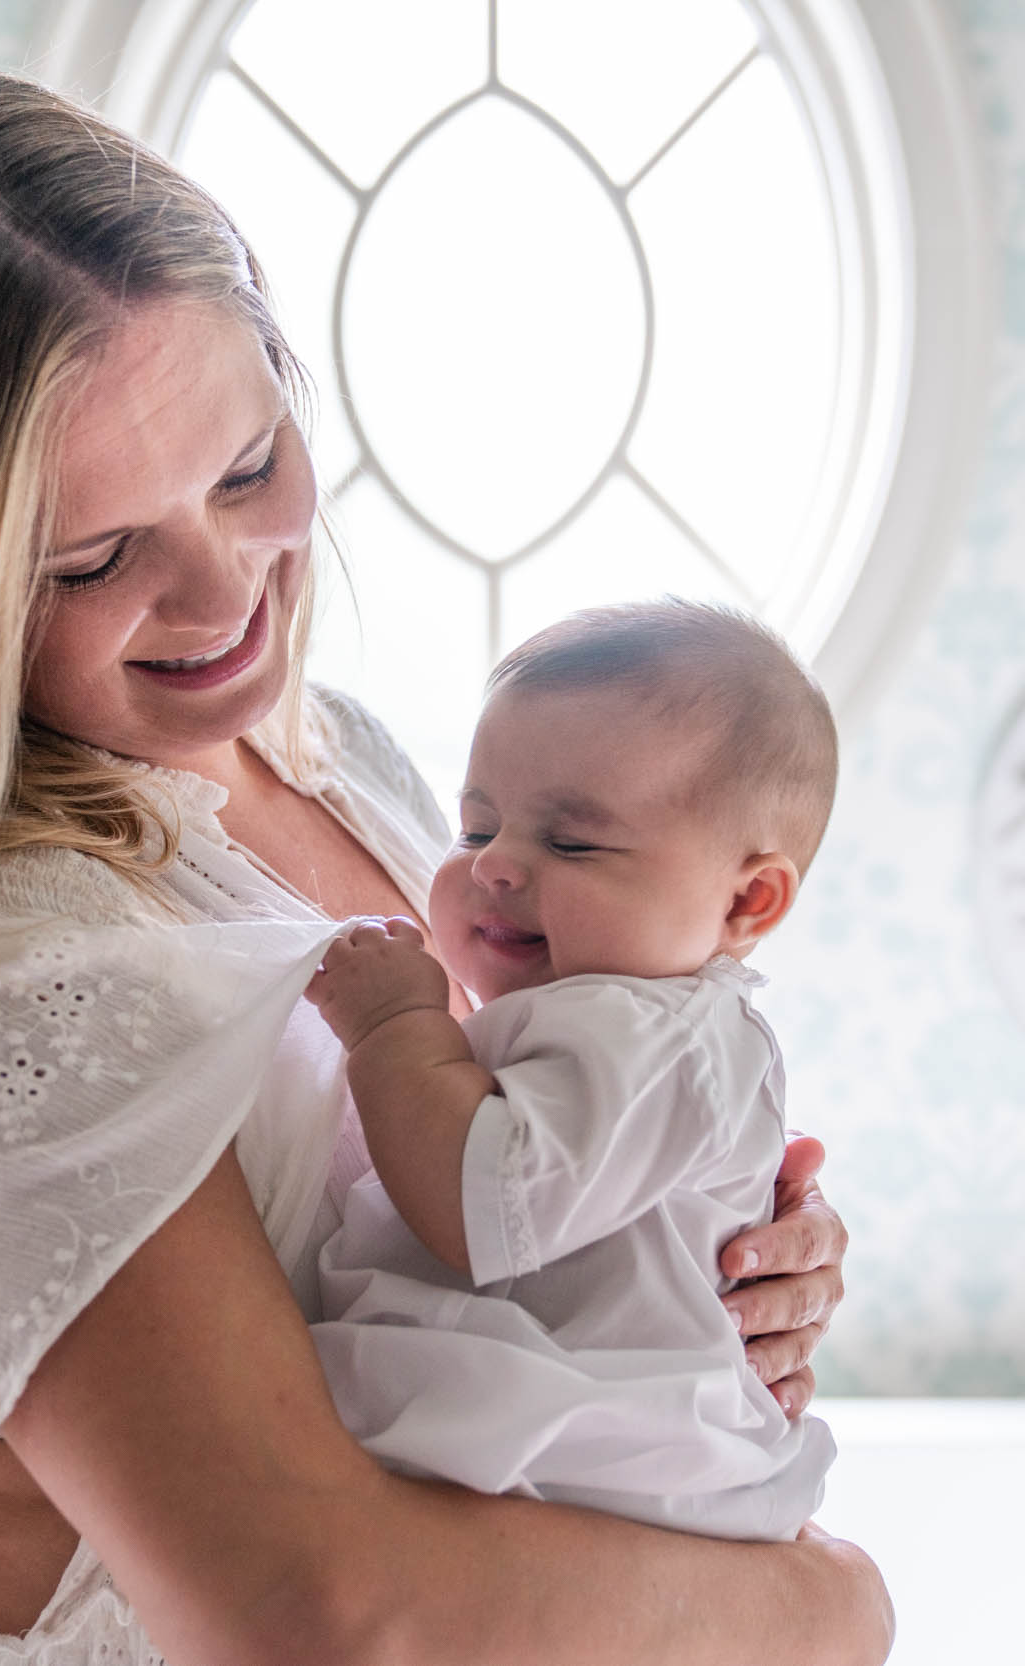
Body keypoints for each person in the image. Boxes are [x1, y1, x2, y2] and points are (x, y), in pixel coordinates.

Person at [0, 66, 887, 1666]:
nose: (224, 595)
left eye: (242, 468)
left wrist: (694, 1254)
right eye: (90, 558)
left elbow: (478, 1217)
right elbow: (328, 1618)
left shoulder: (335, 760)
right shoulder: (0, 967)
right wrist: (829, 1607)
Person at [304, 600, 840, 1541]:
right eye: (477, 829)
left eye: (572, 842)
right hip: (556, 1465)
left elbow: (482, 1204)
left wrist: (394, 1026)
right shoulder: (618, 1020)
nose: (497, 867)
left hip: (602, 1475)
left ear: (746, 899)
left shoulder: (652, 1034)